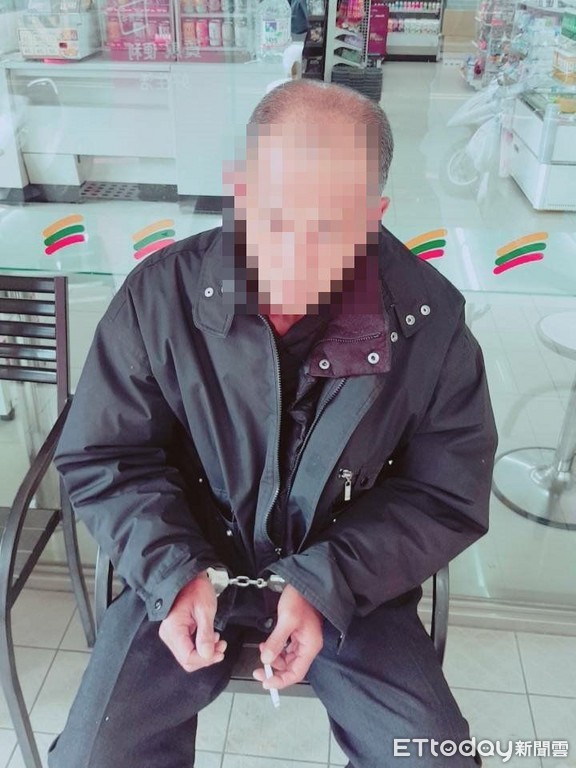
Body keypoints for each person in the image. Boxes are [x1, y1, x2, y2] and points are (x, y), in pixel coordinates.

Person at [49, 80, 497, 768]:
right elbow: (106, 456)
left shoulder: (427, 325)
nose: (294, 256)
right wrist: (172, 573)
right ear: (241, 191)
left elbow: (445, 492)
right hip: (183, 562)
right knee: (93, 757)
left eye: (330, 227)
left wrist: (324, 583)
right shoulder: (159, 298)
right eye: (275, 216)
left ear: (374, 216)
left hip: (350, 580)